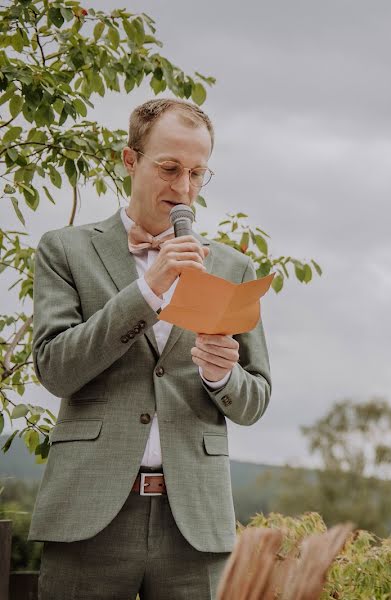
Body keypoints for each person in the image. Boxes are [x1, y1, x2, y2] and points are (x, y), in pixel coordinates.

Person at [28, 98, 272, 599]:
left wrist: (221, 376)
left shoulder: (231, 267)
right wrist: (147, 290)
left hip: (195, 524)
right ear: (130, 160)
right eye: (169, 168)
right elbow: (55, 369)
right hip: (88, 513)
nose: (183, 188)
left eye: (197, 173)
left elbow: (255, 399)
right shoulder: (64, 249)